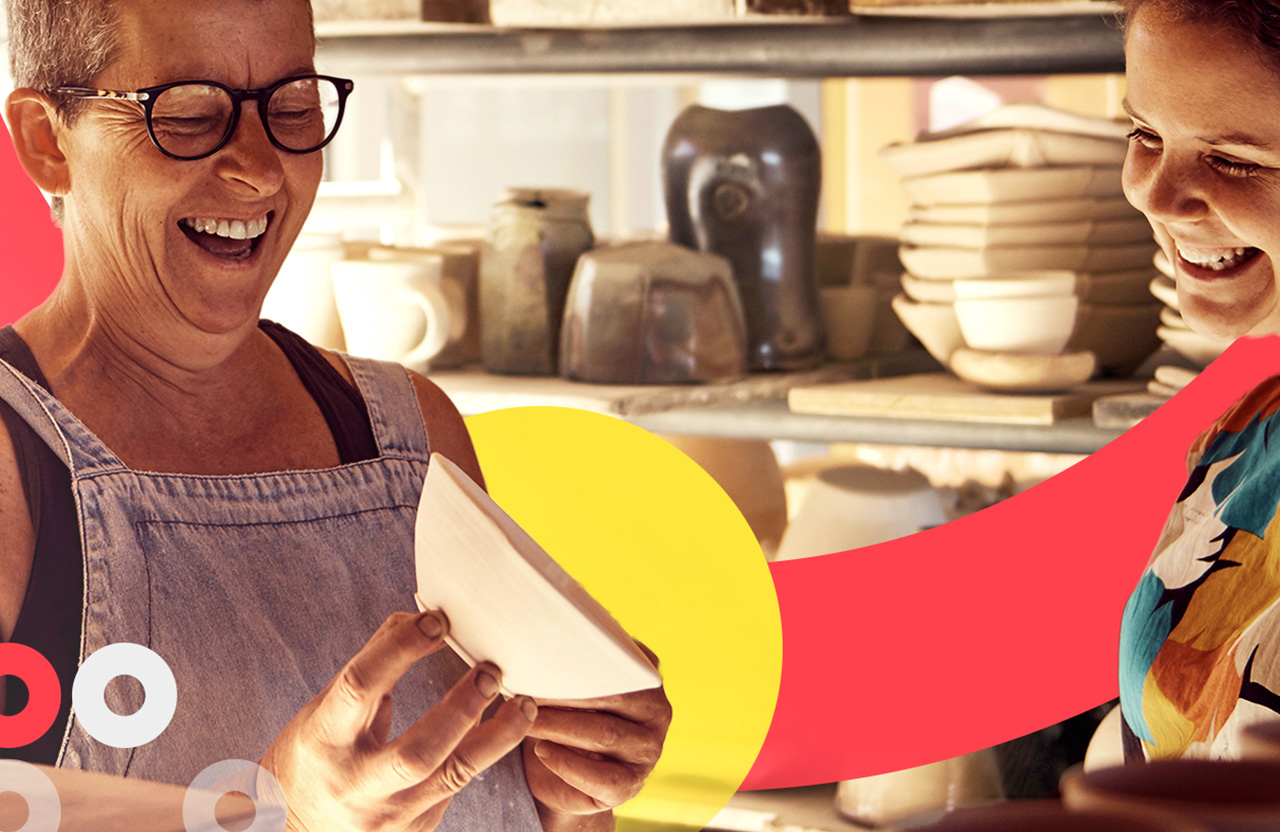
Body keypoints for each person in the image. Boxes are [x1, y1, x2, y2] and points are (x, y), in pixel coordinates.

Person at [0, 0, 670, 828]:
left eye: (291, 106)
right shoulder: (13, 466)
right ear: (44, 140)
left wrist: (573, 786)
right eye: (188, 114)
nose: (261, 168)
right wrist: (272, 814)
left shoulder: (411, 430)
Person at [1116, 0, 1280, 763]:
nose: (1153, 194)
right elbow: (1168, 741)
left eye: (1236, 159)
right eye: (1145, 135)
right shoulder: (1249, 428)